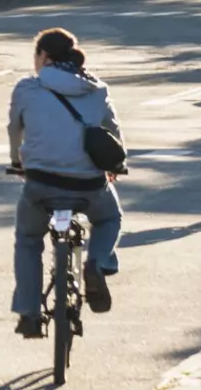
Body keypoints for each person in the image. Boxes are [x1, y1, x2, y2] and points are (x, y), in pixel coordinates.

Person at [7, 28, 124, 338]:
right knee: (110, 217)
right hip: (88, 184)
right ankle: (97, 262)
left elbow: (14, 129)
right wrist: (117, 165)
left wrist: (17, 162)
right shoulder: (96, 88)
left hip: (40, 183)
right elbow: (112, 129)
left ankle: (29, 313)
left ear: (43, 57)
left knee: (29, 239)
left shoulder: (27, 89)